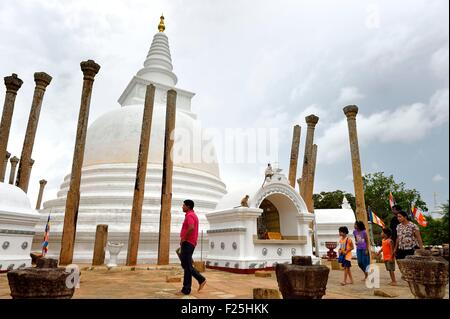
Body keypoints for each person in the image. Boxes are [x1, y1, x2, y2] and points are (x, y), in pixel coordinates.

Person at [176, 199, 206, 295]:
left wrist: (183, 238)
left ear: (188, 206)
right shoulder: (192, 215)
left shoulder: (190, 215)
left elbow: (191, 227)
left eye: (184, 205)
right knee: (186, 265)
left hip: (188, 242)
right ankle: (198, 281)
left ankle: (187, 288)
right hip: (190, 242)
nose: (182, 207)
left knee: (187, 266)